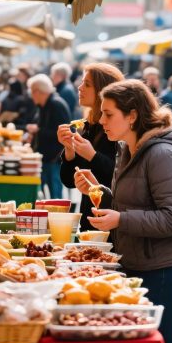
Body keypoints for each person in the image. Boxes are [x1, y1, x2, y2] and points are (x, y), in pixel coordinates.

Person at [73, 79, 172, 343]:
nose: (101, 120)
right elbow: (131, 201)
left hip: (166, 265)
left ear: (132, 116)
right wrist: (97, 190)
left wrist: (121, 219)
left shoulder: (161, 153)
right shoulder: (127, 147)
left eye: (108, 114)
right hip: (144, 259)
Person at [58, 63, 123, 229]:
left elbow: (122, 177)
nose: (79, 88)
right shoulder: (89, 125)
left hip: (112, 222)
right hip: (90, 220)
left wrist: (92, 156)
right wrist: (69, 150)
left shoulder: (118, 128)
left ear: (103, 90)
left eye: (87, 84)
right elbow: (69, 181)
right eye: (81, 82)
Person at [26, 74, 70, 199]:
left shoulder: (56, 104)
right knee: (42, 196)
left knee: (55, 196)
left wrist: (38, 130)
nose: (31, 95)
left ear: (38, 91)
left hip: (54, 158)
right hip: (45, 157)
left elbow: (65, 132)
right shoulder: (42, 106)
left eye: (32, 91)